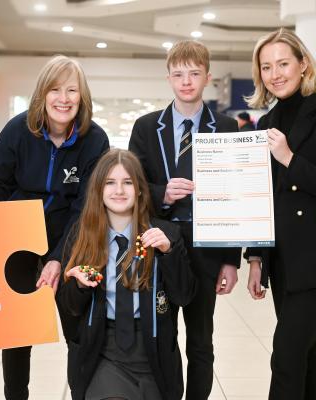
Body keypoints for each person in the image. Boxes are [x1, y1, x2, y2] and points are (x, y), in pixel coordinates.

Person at [0, 55, 109, 400]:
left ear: (82, 97)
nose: (64, 98)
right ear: (42, 94)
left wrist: (59, 258)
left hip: (73, 243)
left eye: (72, 90)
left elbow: (86, 207)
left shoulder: (94, 140)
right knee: (17, 334)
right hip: (19, 245)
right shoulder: (17, 130)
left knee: (78, 332)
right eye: (55, 89)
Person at [129, 40, 242, 400]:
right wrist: (162, 191)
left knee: (200, 341)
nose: (186, 81)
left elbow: (235, 196)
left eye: (194, 73)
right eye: (178, 74)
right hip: (160, 244)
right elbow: (132, 185)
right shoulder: (146, 127)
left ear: (207, 77)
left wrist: (231, 260)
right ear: (168, 78)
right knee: (162, 338)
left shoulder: (226, 127)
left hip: (208, 248)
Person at [56, 149, 196, 400]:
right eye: (110, 183)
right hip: (102, 350)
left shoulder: (165, 234)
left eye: (127, 183)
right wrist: (78, 286)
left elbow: (184, 296)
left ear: (140, 189)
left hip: (152, 351)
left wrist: (169, 253)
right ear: (98, 190)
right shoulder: (81, 236)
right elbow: (69, 308)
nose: (119, 190)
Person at [245, 28, 316, 400]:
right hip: (285, 261)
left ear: (303, 64)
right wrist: (257, 257)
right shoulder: (266, 121)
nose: (276, 73)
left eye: (284, 63)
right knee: (306, 360)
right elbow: (262, 199)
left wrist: (289, 158)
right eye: (267, 66)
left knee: (287, 358)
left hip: (313, 259)